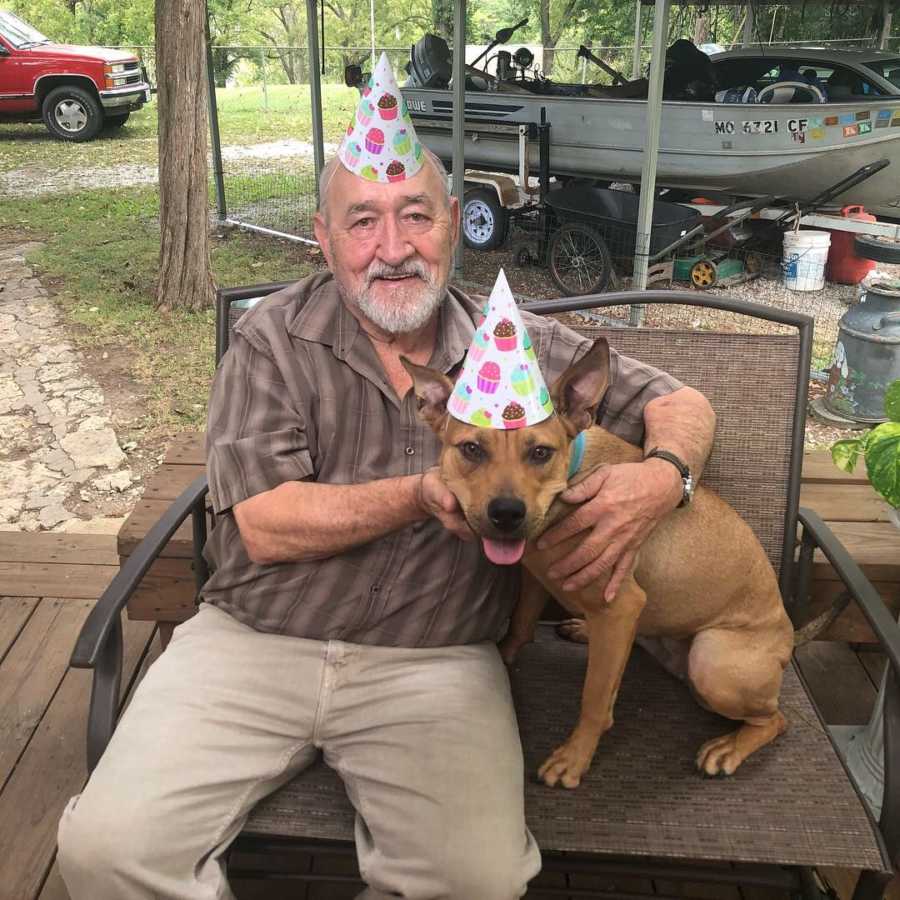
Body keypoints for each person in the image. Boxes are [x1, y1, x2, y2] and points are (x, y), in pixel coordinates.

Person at [57, 54, 715, 900]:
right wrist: (416, 495)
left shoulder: (517, 349)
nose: (393, 248)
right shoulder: (272, 343)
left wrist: (662, 478)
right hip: (254, 645)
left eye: (415, 216)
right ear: (324, 237)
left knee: (476, 880)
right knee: (106, 851)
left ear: (454, 222)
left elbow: (682, 402)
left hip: (434, 661)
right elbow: (261, 523)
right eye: (362, 222)